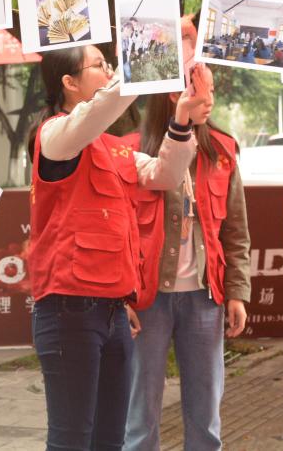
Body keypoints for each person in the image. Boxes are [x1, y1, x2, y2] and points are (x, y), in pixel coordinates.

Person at [27, 44, 209, 451]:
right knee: (72, 440)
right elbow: (100, 110)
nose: (110, 71)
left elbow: (166, 175)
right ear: (69, 82)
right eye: (100, 65)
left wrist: (182, 117)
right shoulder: (55, 135)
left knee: (111, 439)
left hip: (114, 310)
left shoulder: (115, 148)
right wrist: (145, 60)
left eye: (111, 65)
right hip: (69, 307)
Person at [123, 68, 251, 451]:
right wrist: (121, 298)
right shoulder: (129, 150)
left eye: (212, 91)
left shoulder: (222, 150)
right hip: (146, 300)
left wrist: (237, 292)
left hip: (204, 296)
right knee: (139, 415)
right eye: (202, 92)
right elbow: (119, 234)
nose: (210, 101)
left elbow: (236, 231)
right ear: (173, 96)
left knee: (206, 415)